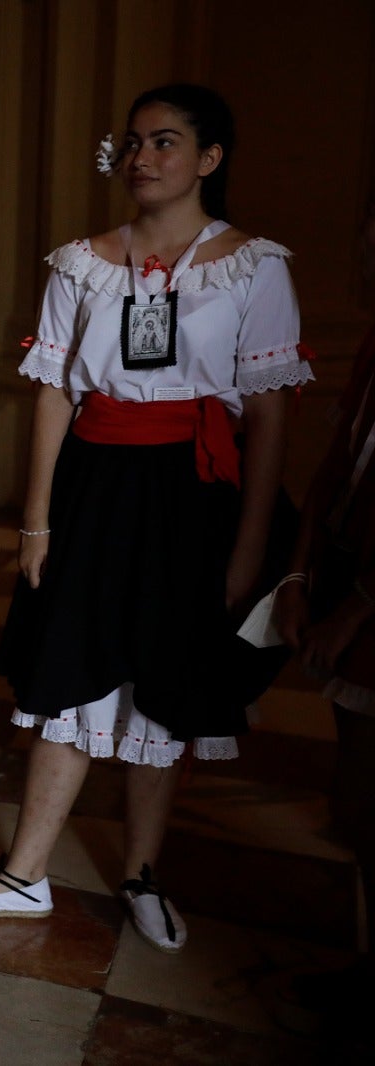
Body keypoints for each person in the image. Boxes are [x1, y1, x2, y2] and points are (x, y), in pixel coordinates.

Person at [0, 85, 312, 952]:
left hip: (196, 493)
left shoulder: (255, 265)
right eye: (134, 142)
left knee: (165, 689)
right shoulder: (83, 263)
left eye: (165, 142)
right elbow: (58, 395)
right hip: (96, 486)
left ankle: (141, 875)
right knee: (71, 668)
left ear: (209, 159)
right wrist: (36, 521)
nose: (142, 158)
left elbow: (271, 416)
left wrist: (249, 547)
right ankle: (24, 875)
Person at [269, 198, 375, 1033]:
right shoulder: (373, 345)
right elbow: (336, 466)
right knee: (358, 789)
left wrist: (358, 613)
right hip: (343, 567)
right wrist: (301, 573)